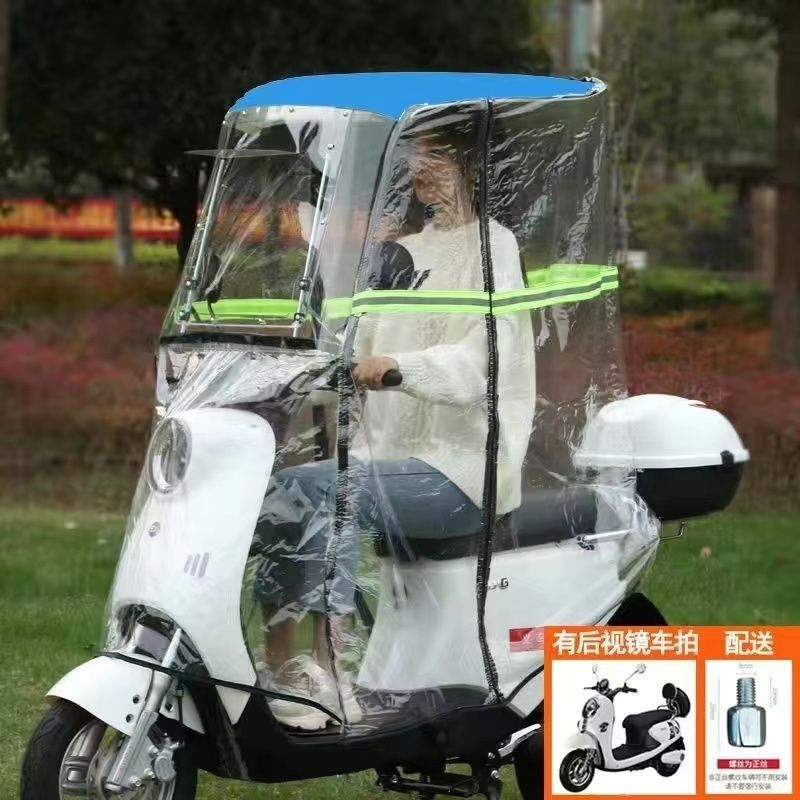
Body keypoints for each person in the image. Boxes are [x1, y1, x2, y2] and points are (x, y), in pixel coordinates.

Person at [251, 121, 535, 730]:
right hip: (390, 460)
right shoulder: (401, 250)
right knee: (285, 491)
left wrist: (400, 368)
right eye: (415, 157)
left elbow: (483, 362)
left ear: (471, 166)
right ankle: (281, 673)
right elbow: (356, 351)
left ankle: (334, 675)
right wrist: (291, 375)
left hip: (462, 469)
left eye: (435, 156)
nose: (420, 168)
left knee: (329, 492)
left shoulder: (496, 247)